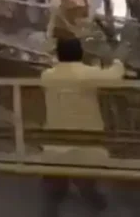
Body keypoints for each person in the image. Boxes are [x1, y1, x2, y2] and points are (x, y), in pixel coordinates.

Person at [39, 36, 123, 217]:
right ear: (81, 53)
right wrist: (118, 59)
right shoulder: (88, 74)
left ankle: (52, 203)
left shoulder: (47, 76)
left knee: (55, 171)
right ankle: (90, 194)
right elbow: (115, 76)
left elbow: (60, 70)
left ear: (58, 54)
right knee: (85, 168)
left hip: (54, 144)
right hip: (86, 144)